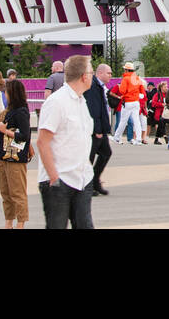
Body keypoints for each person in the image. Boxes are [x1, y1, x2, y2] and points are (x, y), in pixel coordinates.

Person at [36, 56, 96, 229]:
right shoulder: (56, 102)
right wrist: (53, 176)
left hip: (82, 178)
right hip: (60, 180)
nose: (92, 76)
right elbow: (42, 141)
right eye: (91, 72)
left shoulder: (81, 101)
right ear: (84, 76)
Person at [0, 78, 32, 228]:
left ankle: (20, 222)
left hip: (15, 158)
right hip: (3, 156)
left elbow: (24, 135)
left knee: (17, 192)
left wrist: (5, 131)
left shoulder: (21, 111)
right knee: (6, 192)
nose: (5, 94)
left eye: (7, 92)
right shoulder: (9, 111)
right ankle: (9, 221)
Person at [85, 62, 113, 194]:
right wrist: (97, 129)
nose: (110, 76)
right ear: (100, 73)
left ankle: (95, 181)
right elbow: (93, 108)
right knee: (89, 157)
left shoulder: (100, 86)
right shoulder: (93, 86)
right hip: (94, 130)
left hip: (100, 128)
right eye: (108, 73)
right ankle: (88, 185)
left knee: (106, 153)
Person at [113, 63, 147, 145]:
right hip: (136, 102)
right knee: (137, 121)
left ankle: (117, 137)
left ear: (126, 70)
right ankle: (138, 139)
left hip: (128, 102)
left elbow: (122, 91)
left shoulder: (125, 79)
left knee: (123, 121)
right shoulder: (137, 78)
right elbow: (142, 90)